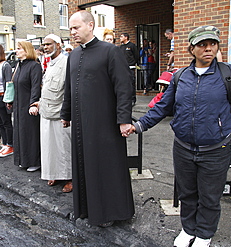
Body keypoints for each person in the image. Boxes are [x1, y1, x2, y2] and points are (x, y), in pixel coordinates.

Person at [133, 26, 231, 247]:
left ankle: (204, 234)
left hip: (216, 150)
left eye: (212, 44)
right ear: (192, 49)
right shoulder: (180, 76)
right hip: (183, 147)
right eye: (202, 44)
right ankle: (189, 229)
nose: (208, 48)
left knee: (210, 197)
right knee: (187, 193)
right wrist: (141, 124)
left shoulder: (228, 74)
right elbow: (163, 106)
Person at [61, 10, 135, 227]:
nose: (72, 32)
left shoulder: (110, 51)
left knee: (106, 167)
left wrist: (124, 119)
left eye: (76, 27)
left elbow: (124, 88)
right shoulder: (73, 55)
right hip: (80, 124)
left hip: (104, 124)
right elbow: (70, 89)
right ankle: (87, 209)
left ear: (90, 25)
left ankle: (111, 212)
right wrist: (66, 114)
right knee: (85, 165)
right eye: (70, 28)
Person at [37, 34, 72, 192]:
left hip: (60, 114)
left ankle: (70, 178)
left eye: (49, 44)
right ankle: (55, 173)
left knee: (64, 148)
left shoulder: (66, 63)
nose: (45, 47)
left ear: (58, 45)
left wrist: (67, 113)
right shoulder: (50, 63)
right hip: (46, 112)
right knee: (50, 148)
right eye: (44, 45)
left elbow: (69, 91)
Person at [11, 41, 41, 172]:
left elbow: (36, 87)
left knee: (30, 134)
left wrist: (33, 103)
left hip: (28, 105)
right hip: (18, 105)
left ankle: (34, 161)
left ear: (26, 50)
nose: (16, 51)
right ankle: (23, 160)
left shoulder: (34, 66)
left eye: (19, 49)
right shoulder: (19, 65)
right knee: (20, 133)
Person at [119, 32, 139, 105]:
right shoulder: (120, 47)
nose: (120, 38)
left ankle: (133, 99)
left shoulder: (132, 46)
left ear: (126, 37)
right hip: (122, 68)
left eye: (121, 36)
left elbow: (136, 56)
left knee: (131, 83)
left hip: (130, 68)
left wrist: (134, 63)